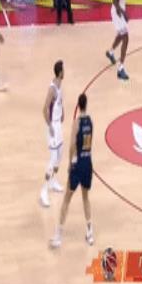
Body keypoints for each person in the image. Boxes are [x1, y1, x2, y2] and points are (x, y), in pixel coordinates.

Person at [49, 93, 94, 248]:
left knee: (66, 200)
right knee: (85, 198)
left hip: (78, 164)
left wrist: (69, 163)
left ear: (78, 105)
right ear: (86, 104)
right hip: (88, 163)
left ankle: (58, 236)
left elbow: (72, 145)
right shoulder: (90, 122)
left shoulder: (77, 123)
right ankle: (90, 233)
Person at [40, 60, 65, 208]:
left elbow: (59, 102)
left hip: (58, 125)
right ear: (60, 72)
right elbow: (44, 109)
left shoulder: (60, 85)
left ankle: (53, 181)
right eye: (63, 70)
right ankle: (43, 191)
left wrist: (63, 112)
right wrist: (49, 126)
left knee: (60, 156)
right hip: (53, 127)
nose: (64, 72)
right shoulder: (52, 89)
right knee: (53, 159)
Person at [105, 0, 130, 81]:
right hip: (117, 12)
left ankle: (110, 52)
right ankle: (120, 69)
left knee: (121, 35)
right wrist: (123, 12)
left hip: (120, 11)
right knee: (125, 37)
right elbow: (114, 0)